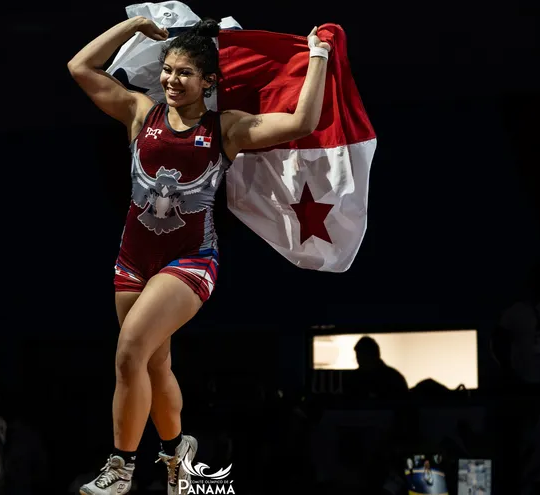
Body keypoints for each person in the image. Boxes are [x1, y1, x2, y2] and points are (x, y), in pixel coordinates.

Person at [67, 15, 332, 495]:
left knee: (129, 352)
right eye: (167, 69)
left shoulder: (224, 130)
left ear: (209, 82)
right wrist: (132, 27)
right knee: (153, 363)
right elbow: (79, 66)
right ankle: (176, 454)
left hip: (190, 261)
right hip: (131, 261)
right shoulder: (138, 112)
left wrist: (319, 55)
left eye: (184, 72)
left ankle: (122, 468)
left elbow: (301, 121)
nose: (171, 79)